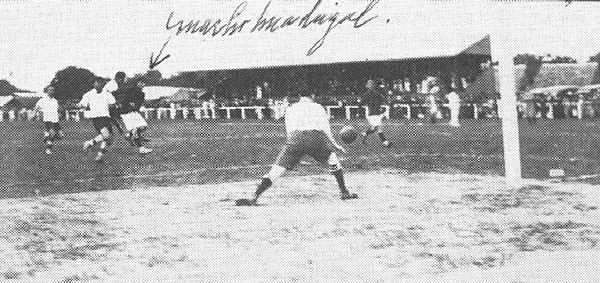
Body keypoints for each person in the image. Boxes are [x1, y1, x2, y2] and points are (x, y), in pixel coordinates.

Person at [236, 87, 358, 206]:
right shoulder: (318, 107)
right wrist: (335, 145)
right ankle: (344, 192)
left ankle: (255, 196)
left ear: (300, 97)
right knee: (333, 160)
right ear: (312, 96)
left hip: (295, 139)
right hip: (314, 137)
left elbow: (289, 131)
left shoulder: (291, 108)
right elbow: (325, 129)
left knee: (276, 171)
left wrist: (293, 147)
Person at [77, 77, 117, 162]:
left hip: (106, 117)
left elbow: (113, 104)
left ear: (103, 84)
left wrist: (111, 106)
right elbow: (82, 104)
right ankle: (98, 155)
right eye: (96, 82)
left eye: (100, 82)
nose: (98, 84)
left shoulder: (107, 93)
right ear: (93, 84)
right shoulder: (89, 94)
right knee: (106, 136)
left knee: (108, 139)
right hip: (96, 118)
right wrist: (78, 105)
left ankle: (90, 144)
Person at [119, 78, 153, 154]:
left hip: (134, 112)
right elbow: (125, 100)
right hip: (127, 112)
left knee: (143, 126)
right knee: (135, 130)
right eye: (141, 82)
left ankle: (128, 135)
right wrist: (128, 104)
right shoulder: (131, 90)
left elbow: (137, 105)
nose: (143, 84)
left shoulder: (141, 93)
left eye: (143, 83)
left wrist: (134, 105)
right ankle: (141, 148)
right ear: (137, 83)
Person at [33, 85, 64, 154]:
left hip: (55, 120)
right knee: (52, 134)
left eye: (53, 90)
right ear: (47, 91)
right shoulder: (43, 99)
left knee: (61, 136)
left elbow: (57, 109)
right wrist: (34, 114)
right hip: (48, 119)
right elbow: (37, 107)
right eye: (50, 90)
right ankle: (48, 149)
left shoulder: (55, 100)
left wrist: (59, 113)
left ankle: (47, 137)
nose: (52, 91)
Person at [360, 79, 391, 146]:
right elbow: (384, 99)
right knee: (377, 128)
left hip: (376, 114)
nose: (370, 85)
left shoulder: (371, 94)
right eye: (369, 84)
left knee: (375, 128)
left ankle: (365, 134)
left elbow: (361, 103)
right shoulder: (371, 94)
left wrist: (387, 103)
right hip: (372, 114)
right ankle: (385, 142)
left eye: (371, 84)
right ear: (367, 86)